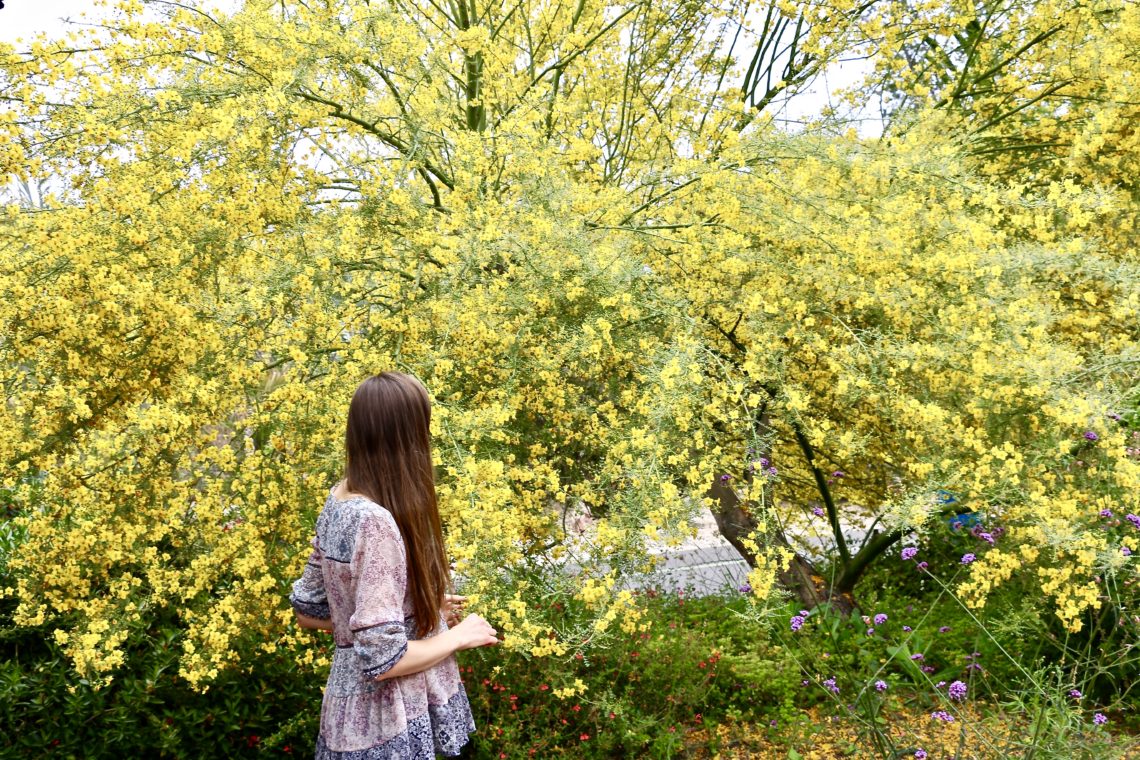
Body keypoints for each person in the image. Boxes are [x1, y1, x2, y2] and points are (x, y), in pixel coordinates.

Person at [288, 371, 500, 758]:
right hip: (392, 723)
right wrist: (458, 635)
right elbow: (384, 660)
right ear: (407, 437)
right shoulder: (375, 522)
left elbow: (311, 611)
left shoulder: (339, 498)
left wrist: (413, 611)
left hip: (351, 717)